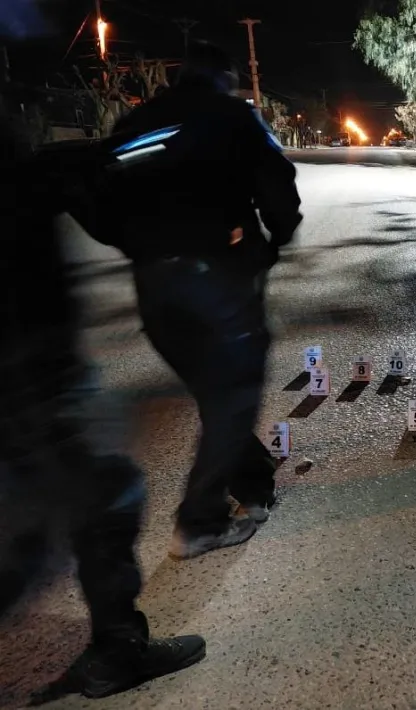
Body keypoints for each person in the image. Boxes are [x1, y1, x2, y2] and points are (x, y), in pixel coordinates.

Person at [0, 96, 205, 702]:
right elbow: (107, 215)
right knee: (104, 497)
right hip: (33, 367)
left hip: (30, 366)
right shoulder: (15, 158)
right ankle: (117, 652)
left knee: (36, 522)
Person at [72, 41, 302, 560]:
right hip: (218, 278)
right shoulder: (234, 116)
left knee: (217, 393)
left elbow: (94, 195)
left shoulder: (136, 120)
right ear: (226, 77)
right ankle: (199, 523)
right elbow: (277, 183)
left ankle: (254, 482)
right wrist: (276, 239)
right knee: (234, 393)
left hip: (155, 288)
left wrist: (143, 249)